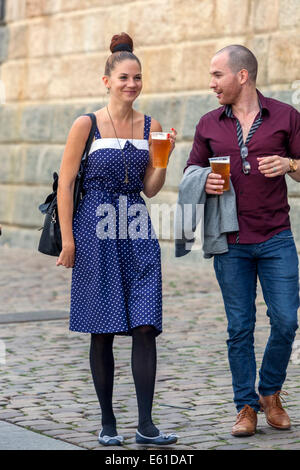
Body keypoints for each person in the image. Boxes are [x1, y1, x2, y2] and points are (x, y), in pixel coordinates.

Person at [56, 32, 178, 447]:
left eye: (138, 78)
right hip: (95, 228)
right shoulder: (85, 124)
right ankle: (108, 423)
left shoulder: (151, 125)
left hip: (136, 227)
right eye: (124, 77)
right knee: (102, 328)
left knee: (146, 326)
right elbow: (67, 185)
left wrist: (163, 158)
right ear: (106, 80)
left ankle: (146, 424)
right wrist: (69, 240)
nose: (132, 84)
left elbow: (151, 188)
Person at [186, 44, 300, 437]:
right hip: (230, 242)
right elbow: (190, 171)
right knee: (240, 327)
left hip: (276, 238)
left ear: (242, 75)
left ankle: (269, 391)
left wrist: (291, 164)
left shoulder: (286, 116)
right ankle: (246, 407)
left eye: (218, 75)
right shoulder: (208, 124)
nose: (212, 83)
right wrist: (206, 179)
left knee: (286, 321)